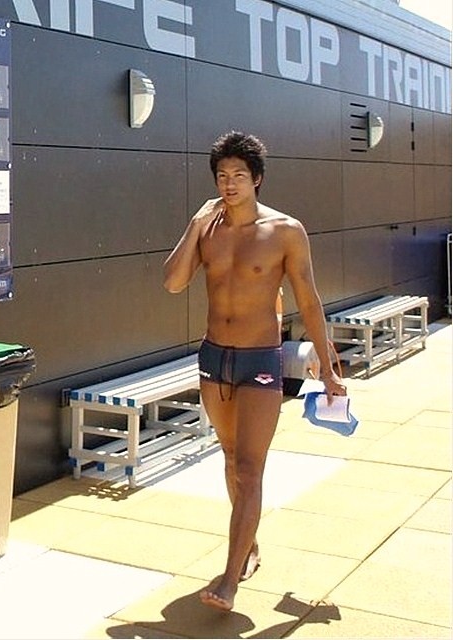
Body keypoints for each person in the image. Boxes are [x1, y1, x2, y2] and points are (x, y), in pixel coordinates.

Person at [163, 131, 346, 611]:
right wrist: (194, 224)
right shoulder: (209, 230)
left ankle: (229, 579)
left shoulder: (285, 230)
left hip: (261, 359)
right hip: (214, 358)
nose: (229, 184)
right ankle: (249, 546)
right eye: (222, 176)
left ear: (257, 178)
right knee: (230, 459)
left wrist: (328, 367)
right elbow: (174, 282)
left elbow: (308, 299)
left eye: (239, 175)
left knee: (249, 467)